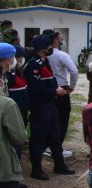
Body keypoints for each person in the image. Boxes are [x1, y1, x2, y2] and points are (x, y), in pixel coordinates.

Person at [23, 34, 75, 180]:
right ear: (42, 48)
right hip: (40, 106)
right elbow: (34, 88)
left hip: (50, 104)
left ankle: (59, 164)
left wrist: (56, 89)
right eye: (49, 46)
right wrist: (54, 91)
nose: (51, 48)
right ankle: (36, 169)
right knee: (38, 137)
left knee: (55, 135)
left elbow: (48, 81)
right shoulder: (33, 64)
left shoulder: (44, 61)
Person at [45, 31, 78, 158]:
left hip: (46, 88)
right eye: (59, 39)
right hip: (61, 89)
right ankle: (57, 147)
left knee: (49, 118)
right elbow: (74, 71)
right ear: (54, 40)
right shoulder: (61, 55)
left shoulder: (42, 55)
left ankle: (48, 146)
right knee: (62, 119)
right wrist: (72, 87)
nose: (61, 41)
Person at [6, 44, 29, 188]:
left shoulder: (17, 72)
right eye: (16, 57)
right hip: (11, 117)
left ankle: (15, 178)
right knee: (12, 148)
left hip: (21, 114)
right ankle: (11, 180)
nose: (18, 60)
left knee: (17, 147)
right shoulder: (6, 76)